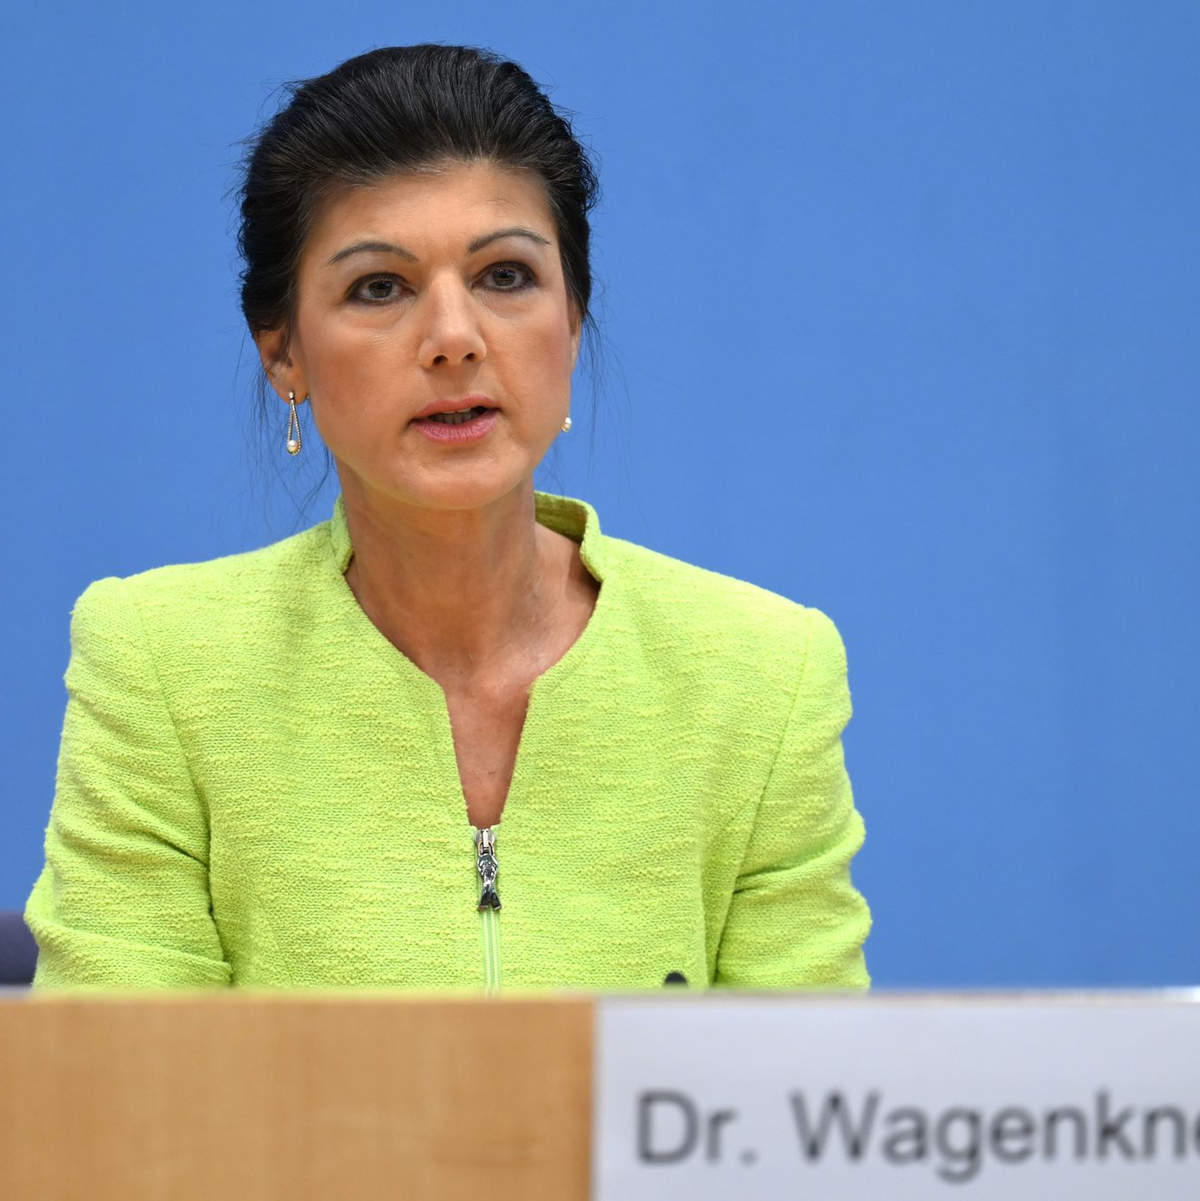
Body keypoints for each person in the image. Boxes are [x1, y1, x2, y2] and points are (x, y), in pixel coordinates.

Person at [24, 44, 871, 992]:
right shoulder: (162, 667)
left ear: (574, 320)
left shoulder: (763, 675)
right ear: (284, 354)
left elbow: (803, 1110)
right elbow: (122, 1108)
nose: (456, 338)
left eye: (506, 275)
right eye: (378, 287)